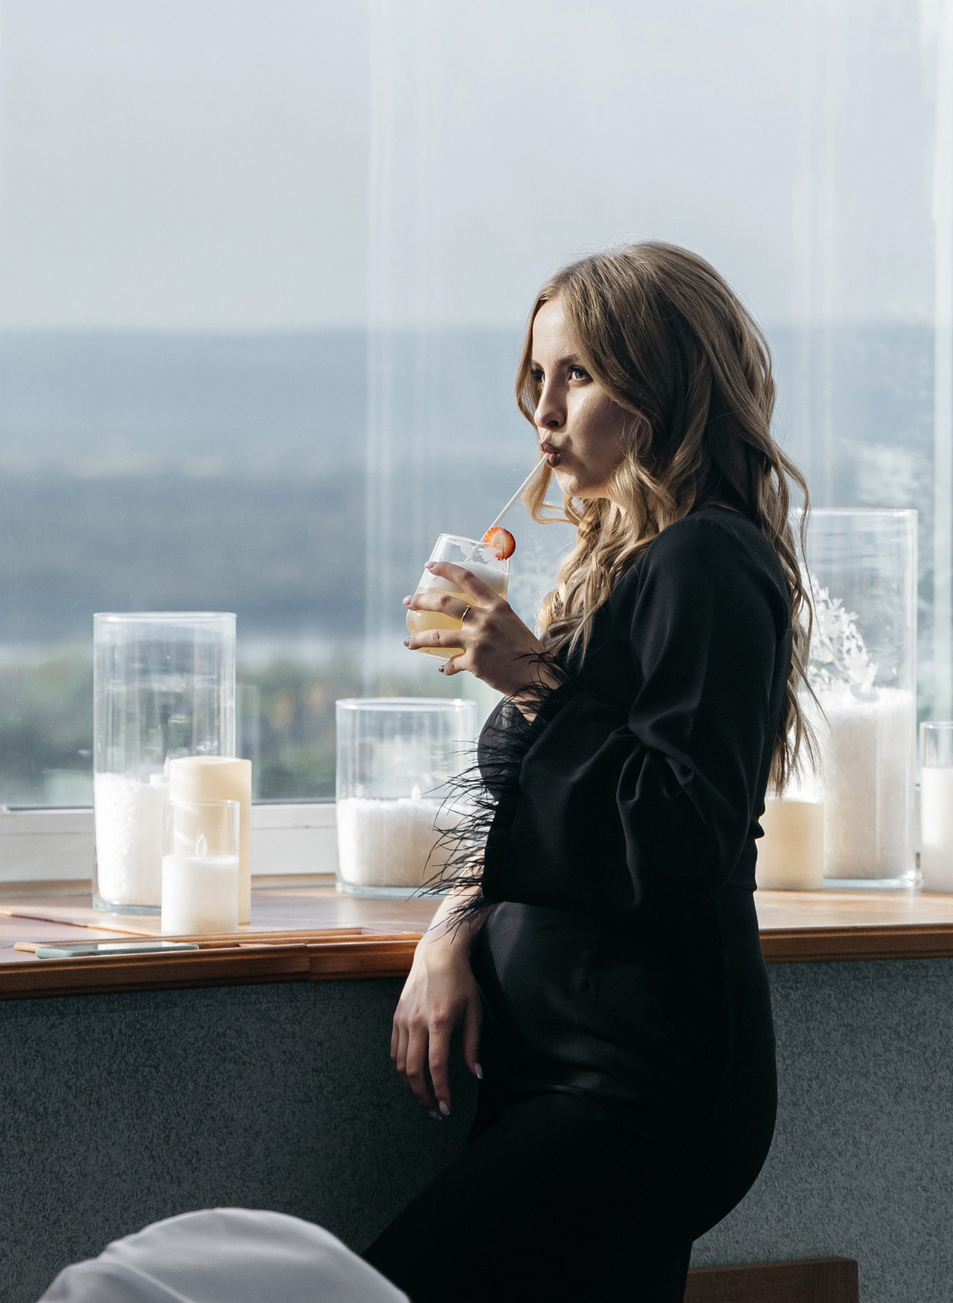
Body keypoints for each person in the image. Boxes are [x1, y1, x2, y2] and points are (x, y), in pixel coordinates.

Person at [362, 243, 804, 1302]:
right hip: (567, 1060)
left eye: (577, 375)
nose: (542, 414)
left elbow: (685, 833)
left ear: (665, 387)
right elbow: (554, 810)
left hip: (640, 1082)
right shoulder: (620, 566)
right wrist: (451, 928)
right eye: (537, 379)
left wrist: (529, 680)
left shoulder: (707, 561)